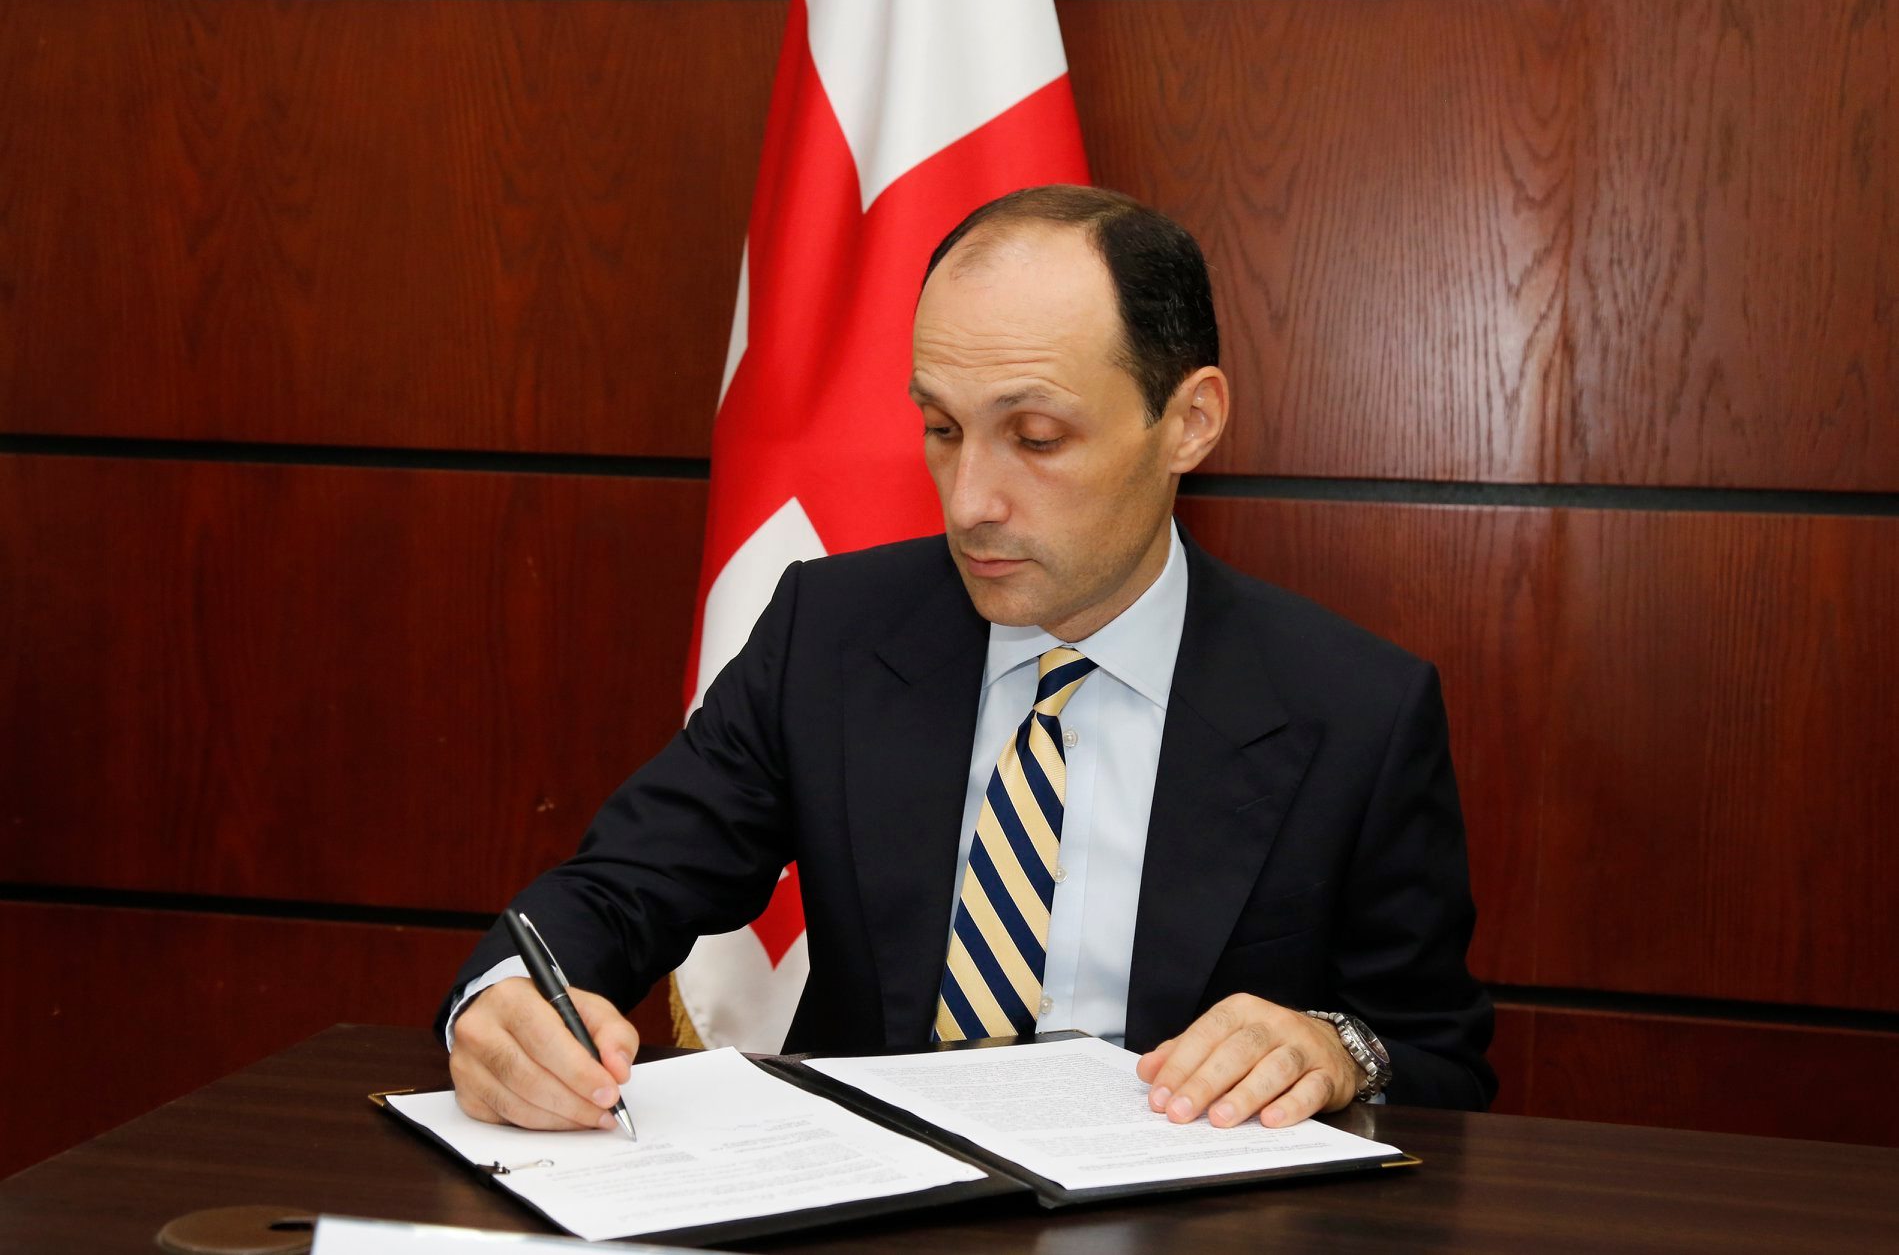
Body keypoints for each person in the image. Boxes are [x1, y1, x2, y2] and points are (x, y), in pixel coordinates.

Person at [441, 185, 1495, 1137]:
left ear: (1189, 422)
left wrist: (1338, 1053)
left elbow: (1438, 1060)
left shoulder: (1355, 709)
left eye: (1035, 437)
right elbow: (626, 883)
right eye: (942, 428)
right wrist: (508, 1000)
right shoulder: (831, 633)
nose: (969, 500)